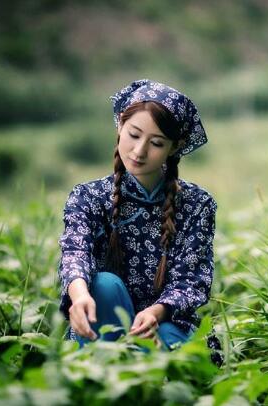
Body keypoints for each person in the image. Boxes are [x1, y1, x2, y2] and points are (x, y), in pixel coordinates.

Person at [57, 79, 223, 366]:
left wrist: (157, 312)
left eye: (156, 143)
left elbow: (192, 281)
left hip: (167, 325)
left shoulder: (198, 205)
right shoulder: (88, 197)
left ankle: (137, 368)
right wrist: (79, 293)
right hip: (105, 321)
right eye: (134, 135)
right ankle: (109, 369)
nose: (139, 151)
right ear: (119, 126)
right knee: (104, 285)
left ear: (175, 147)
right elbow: (75, 253)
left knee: (184, 363)